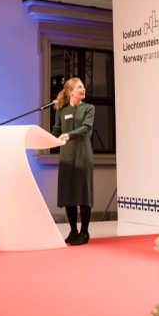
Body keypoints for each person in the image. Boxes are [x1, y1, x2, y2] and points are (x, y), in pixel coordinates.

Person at [52, 77, 95, 245]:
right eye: (79, 87)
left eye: (83, 86)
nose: (83, 89)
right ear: (71, 92)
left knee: (84, 193)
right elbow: (56, 130)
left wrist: (69, 134)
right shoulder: (61, 110)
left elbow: (86, 128)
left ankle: (84, 232)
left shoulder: (89, 108)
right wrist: (46, 140)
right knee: (68, 193)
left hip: (84, 155)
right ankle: (73, 231)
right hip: (66, 156)